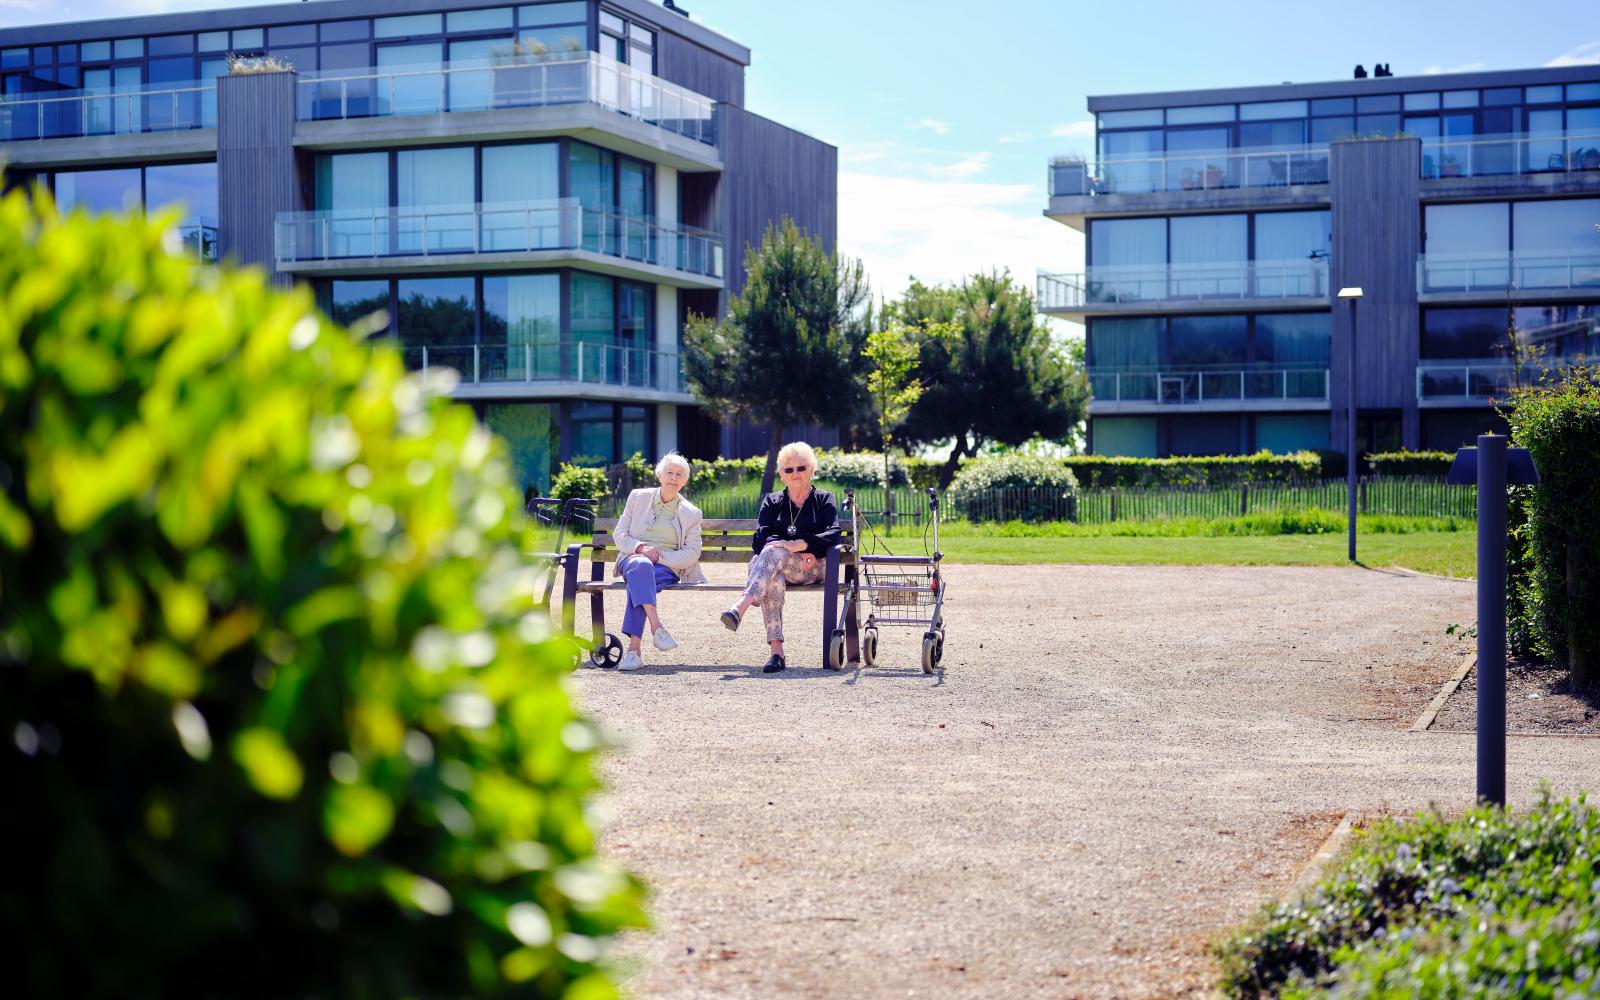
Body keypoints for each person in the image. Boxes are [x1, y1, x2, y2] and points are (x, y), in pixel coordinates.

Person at [720, 441, 840, 673]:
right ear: (782, 475)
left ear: (812, 469)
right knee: (771, 571)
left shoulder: (823, 499)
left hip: (813, 567)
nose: (795, 473)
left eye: (801, 468)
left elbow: (833, 534)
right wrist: (785, 547)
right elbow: (760, 538)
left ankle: (742, 605)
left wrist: (802, 546)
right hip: (777, 568)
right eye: (789, 469)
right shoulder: (772, 501)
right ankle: (777, 653)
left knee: (770, 555)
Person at [611, 452, 704, 671]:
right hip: (632, 559)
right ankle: (656, 627)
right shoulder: (637, 497)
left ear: (684, 480)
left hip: (666, 567)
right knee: (641, 568)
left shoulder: (691, 513)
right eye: (669, 472)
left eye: (679, 474)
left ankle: (634, 652)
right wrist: (641, 548)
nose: (673, 477)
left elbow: (692, 552)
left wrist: (659, 555)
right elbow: (620, 534)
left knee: (642, 580)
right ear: (659, 474)